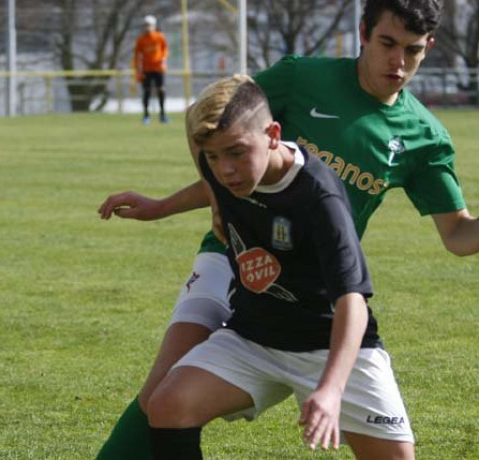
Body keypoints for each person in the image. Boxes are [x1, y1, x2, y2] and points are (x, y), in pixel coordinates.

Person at [95, 0, 479, 458]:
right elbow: (214, 121)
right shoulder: (300, 76)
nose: (398, 62)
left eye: (413, 50)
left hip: (317, 288)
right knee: (160, 395)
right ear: (363, 31)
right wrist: (201, 203)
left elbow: (456, 235)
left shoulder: (424, 136)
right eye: (387, 43)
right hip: (233, 256)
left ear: (430, 48)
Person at [149, 74, 414, 459]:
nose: (225, 171)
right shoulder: (223, 161)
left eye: (237, 153)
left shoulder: (319, 195)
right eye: (213, 157)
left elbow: (352, 302)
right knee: (168, 404)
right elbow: (200, 131)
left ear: (273, 134)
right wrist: (165, 207)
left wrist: (331, 389)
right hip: (253, 338)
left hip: (330, 343)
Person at [135, 15, 169, 125]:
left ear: (154, 26)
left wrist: (163, 60)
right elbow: (137, 55)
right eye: (145, 25)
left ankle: (162, 115)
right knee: (147, 91)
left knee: (161, 90)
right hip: (146, 69)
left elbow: (165, 50)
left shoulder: (159, 37)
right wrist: (138, 70)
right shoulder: (141, 39)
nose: (147, 27)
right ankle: (146, 115)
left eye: (149, 25)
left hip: (158, 68)